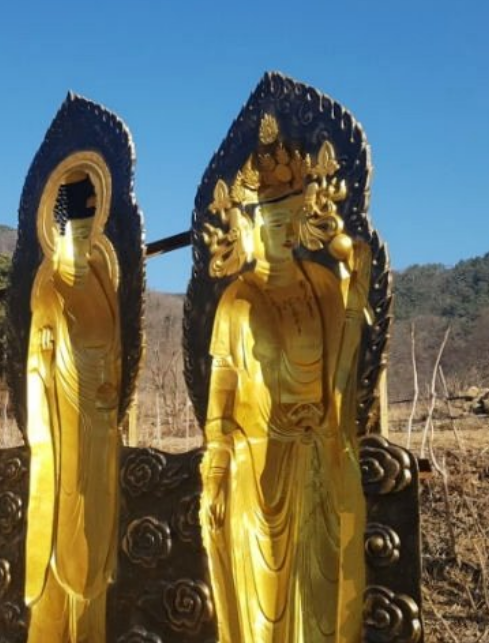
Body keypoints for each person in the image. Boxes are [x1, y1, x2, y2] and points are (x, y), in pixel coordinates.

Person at [199, 116, 367, 642]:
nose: (285, 233)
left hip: (316, 454)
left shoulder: (322, 284)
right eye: (273, 223)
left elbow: (346, 353)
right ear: (249, 226)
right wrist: (215, 469)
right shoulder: (237, 300)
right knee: (263, 599)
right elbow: (221, 394)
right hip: (258, 467)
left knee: (319, 590)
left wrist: (352, 266)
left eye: (291, 220)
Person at [24, 171, 121, 642]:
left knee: (99, 535)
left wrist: (110, 393)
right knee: (68, 529)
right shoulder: (51, 295)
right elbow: (37, 376)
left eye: (90, 236)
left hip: (101, 430)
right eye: (77, 236)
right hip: (64, 432)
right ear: (59, 232)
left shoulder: (101, 283)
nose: (84, 246)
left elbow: (115, 357)